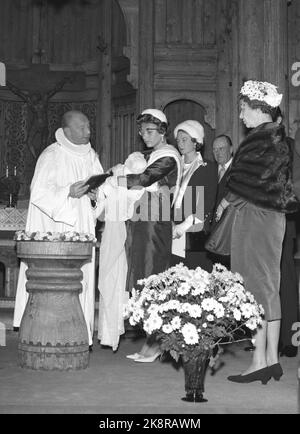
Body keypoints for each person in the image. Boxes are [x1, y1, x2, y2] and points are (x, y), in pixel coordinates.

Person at [215, 80, 298, 384]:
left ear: (258, 108)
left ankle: (260, 360)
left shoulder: (259, 140)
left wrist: (224, 203)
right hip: (270, 218)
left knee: (255, 287)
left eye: (242, 108)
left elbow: (246, 183)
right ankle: (269, 360)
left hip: (255, 218)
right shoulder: (277, 137)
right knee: (267, 287)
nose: (240, 115)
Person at [13, 110, 104, 348]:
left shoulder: (91, 155)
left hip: (83, 226)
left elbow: (101, 194)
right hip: (55, 229)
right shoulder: (52, 155)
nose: (88, 131)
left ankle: (80, 336)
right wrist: (68, 192)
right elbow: (39, 193)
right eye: (83, 128)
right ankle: (46, 334)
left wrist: (95, 196)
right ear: (66, 131)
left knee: (82, 279)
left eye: (88, 127)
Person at [120, 109, 182, 362]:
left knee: (153, 278)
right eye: (142, 130)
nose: (144, 135)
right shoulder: (155, 154)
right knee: (143, 278)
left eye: (150, 131)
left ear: (163, 131)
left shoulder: (167, 155)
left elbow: (144, 179)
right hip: (144, 220)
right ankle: (151, 341)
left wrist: (113, 179)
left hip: (155, 221)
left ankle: (157, 344)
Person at [171, 120, 217, 270]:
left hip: (193, 231)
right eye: (178, 140)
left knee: (194, 276)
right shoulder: (174, 166)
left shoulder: (207, 168)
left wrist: (183, 226)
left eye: (184, 140)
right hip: (172, 227)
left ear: (196, 142)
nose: (180, 144)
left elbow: (207, 202)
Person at [275, 109, 299, 357]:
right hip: (261, 223)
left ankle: (291, 340)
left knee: (287, 282)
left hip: (283, 222)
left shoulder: (290, 147)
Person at [6, 77, 71, 158]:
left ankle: (40, 157)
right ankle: (36, 157)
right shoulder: (33, 102)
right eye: (32, 98)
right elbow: (17, 92)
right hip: (37, 124)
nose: (33, 99)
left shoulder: (43, 101)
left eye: (34, 97)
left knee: (43, 143)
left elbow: (55, 89)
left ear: (38, 97)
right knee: (29, 142)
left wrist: (64, 80)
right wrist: (6, 82)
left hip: (42, 124)